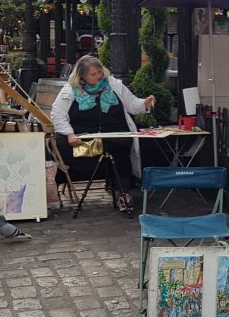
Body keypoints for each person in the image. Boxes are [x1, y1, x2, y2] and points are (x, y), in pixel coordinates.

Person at [51, 55, 156, 212]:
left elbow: (132, 104)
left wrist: (144, 103)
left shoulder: (113, 85)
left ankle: (124, 194)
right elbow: (57, 114)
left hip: (116, 134)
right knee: (67, 150)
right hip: (86, 138)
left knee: (121, 154)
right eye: (93, 74)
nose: (99, 76)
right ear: (82, 76)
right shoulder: (70, 90)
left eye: (100, 72)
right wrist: (69, 134)